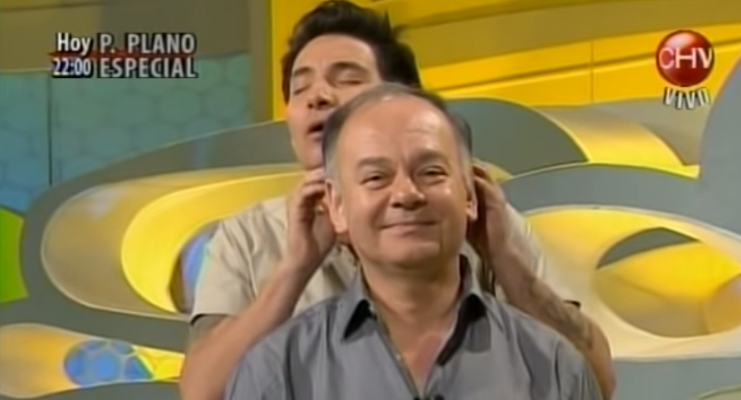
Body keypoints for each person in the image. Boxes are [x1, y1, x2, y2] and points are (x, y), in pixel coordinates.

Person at [180, 1, 615, 399]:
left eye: (347, 79)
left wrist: (504, 259)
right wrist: (294, 270)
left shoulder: (481, 221)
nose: (319, 97)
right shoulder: (247, 237)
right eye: (300, 88)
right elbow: (203, 392)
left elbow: (590, 380)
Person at [225, 83, 604, 400]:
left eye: (431, 172)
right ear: (337, 206)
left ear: (470, 195)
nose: (406, 194)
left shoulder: (554, 366)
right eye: (376, 178)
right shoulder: (277, 371)